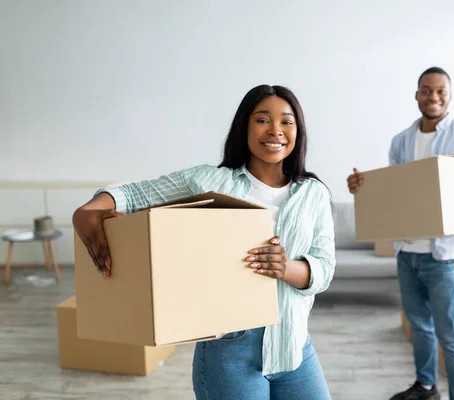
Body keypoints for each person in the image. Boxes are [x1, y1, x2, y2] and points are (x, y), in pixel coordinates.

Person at [72, 84, 335, 400]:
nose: (275, 130)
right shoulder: (208, 181)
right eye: (262, 119)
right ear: (244, 127)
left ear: (298, 130)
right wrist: (89, 210)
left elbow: (324, 269)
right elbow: (134, 194)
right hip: (230, 347)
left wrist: (286, 267)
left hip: (294, 345)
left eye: (286, 121)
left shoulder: (314, 194)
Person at [347, 67, 454, 400]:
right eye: (426, 90)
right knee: (420, 327)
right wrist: (362, 188)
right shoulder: (401, 141)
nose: (433, 96)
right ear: (416, 94)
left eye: (440, 91)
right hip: (408, 253)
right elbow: (394, 194)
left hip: (445, 256)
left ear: (449, 95)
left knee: (452, 336)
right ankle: (426, 386)